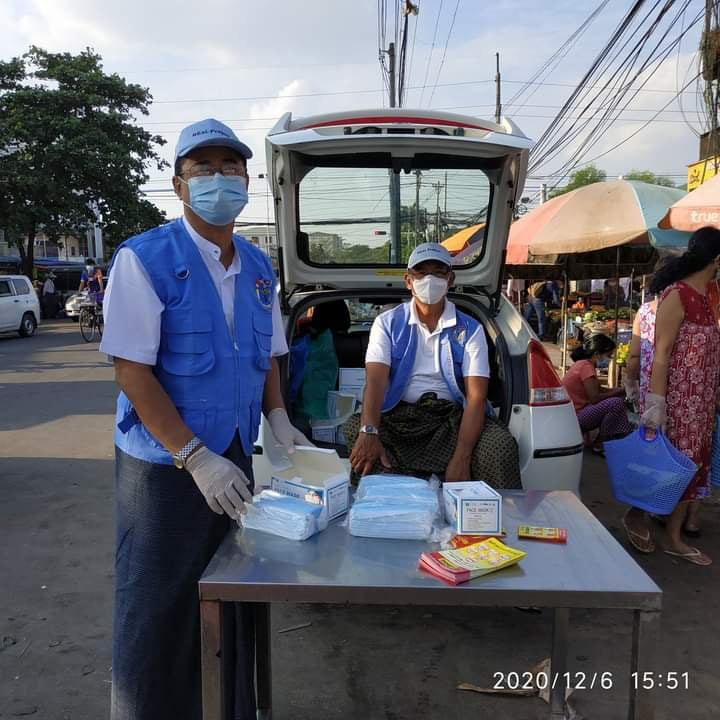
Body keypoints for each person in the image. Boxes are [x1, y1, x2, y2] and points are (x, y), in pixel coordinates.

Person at [99, 118, 311, 719]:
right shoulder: (144, 259)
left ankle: (232, 710)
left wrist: (277, 415)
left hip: (235, 454)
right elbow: (132, 372)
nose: (220, 179)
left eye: (231, 168)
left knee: (235, 597)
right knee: (158, 607)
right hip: (164, 469)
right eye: (204, 169)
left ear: (248, 179)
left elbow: (269, 351)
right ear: (179, 184)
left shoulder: (259, 266)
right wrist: (193, 456)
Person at [344, 242, 521, 489]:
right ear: (408, 280)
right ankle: (390, 504)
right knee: (356, 429)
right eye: (421, 272)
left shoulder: (471, 329)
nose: (430, 279)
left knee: (499, 445)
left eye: (438, 272)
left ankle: (491, 519)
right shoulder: (387, 323)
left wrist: (462, 457)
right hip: (400, 418)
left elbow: (476, 397)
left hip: (453, 420)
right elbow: (375, 383)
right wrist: (369, 431)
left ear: (450, 280)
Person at [640, 227, 720, 566]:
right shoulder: (678, 294)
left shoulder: (711, 294)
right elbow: (661, 353)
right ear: (716, 259)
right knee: (673, 467)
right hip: (677, 400)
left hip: (703, 403)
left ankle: (672, 535)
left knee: (695, 466)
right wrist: (656, 406)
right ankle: (653, 527)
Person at [561, 334, 631, 453]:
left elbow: (598, 389)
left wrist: (619, 391)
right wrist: (617, 393)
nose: (609, 359)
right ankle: (601, 443)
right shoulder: (586, 367)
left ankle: (606, 439)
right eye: (608, 356)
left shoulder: (583, 364)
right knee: (615, 404)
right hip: (575, 416)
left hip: (572, 414)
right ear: (597, 354)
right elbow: (594, 397)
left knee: (617, 400)